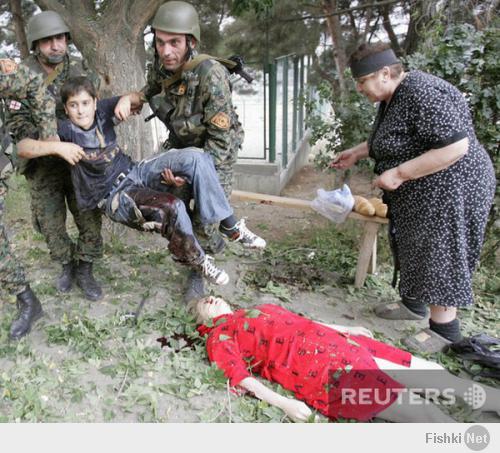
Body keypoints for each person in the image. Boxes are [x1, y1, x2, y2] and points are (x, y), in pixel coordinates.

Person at [331, 43, 496, 353]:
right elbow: (398, 136)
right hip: (426, 187)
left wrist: (399, 174)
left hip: (453, 187)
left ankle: (445, 330)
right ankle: (413, 304)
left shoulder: (421, 92)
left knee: (438, 249)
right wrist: (356, 152)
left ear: (384, 73)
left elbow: (454, 147)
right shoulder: (393, 95)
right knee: (412, 242)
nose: (358, 88)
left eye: (362, 81)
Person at [18, 76, 260, 287]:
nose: (81, 111)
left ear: (94, 101)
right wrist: (59, 147)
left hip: (135, 171)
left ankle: (228, 224)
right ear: (67, 109)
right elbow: (23, 147)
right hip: (114, 196)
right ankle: (199, 260)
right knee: (172, 207)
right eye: (73, 105)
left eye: (84, 103)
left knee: (196, 157)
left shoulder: (102, 110)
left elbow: (138, 98)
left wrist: (125, 99)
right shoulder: (66, 130)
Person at [115, 1, 265, 303]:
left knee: (205, 219)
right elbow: (149, 90)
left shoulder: (212, 75)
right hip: (182, 146)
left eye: (174, 43)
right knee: (173, 204)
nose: (167, 51)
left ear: (190, 42)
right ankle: (197, 262)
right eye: (160, 42)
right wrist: (128, 99)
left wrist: (195, 175)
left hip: (216, 151)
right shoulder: (161, 66)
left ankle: (216, 244)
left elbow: (221, 142)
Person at [192, 296, 500, 422]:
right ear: (201, 320)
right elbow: (238, 375)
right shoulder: (219, 337)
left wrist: (345, 327)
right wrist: (282, 403)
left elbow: (305, 321)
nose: (208, 298)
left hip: (349, 345)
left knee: (438, 378)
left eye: (211, 295)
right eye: (201, 304)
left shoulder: (259, 308)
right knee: (423, 412)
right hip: (324, 370)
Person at [5, 11, 104, 301]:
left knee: (89, 218)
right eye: (47, 40)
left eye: (60, 38)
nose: (55, 46)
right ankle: (66, 265)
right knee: (50, 224)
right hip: (41, 166)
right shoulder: (18, 77)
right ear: (36, 44)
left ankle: (85, 268)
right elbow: (19, 136)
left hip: (78, 163)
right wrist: (53, 145)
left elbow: (95, 111)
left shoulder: (78, 73)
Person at [0, 58, 78, 339]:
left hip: (59, 160)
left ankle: (28, 299)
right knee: (48, 223)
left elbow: (34, 88)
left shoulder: (7, 72)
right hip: (35, 163)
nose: (55, 46)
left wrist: (50, 142)